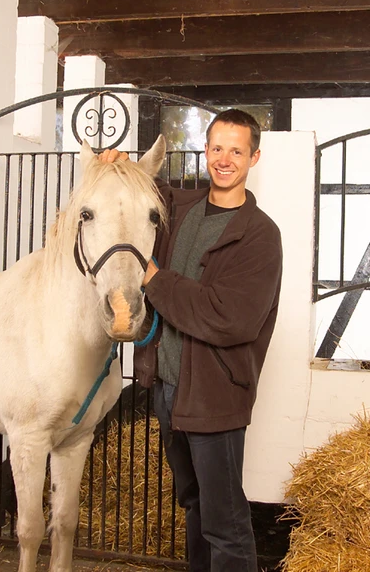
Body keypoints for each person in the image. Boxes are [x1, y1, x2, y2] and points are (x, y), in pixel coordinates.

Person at [133, 109, 283, 571]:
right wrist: (115, 161)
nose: (224, 159)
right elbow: (136, 191)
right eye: (217, 148)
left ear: (253, 157)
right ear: (206, 151)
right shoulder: (182, 208)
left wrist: (156, 280)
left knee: (225, 521)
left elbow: (228, 318)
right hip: (170, 392)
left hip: (216, 396)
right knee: (196, 507)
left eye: (236, 150)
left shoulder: (260, 235)